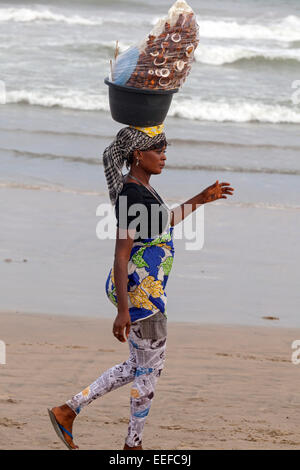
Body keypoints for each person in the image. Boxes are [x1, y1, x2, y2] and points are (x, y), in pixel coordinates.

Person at [48, 124, 234, 450]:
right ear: (138, 154)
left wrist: (202, 199)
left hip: (145, 289)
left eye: (165, 150)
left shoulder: (141, 188)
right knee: (149, 373)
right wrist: (123, 310)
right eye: (158, 150)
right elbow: (121, 255)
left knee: (138, 367)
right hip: (141, 294)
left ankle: (68, 410)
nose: (164, 157)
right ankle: (133, 446)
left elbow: (163, 223)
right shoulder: (131, 194)